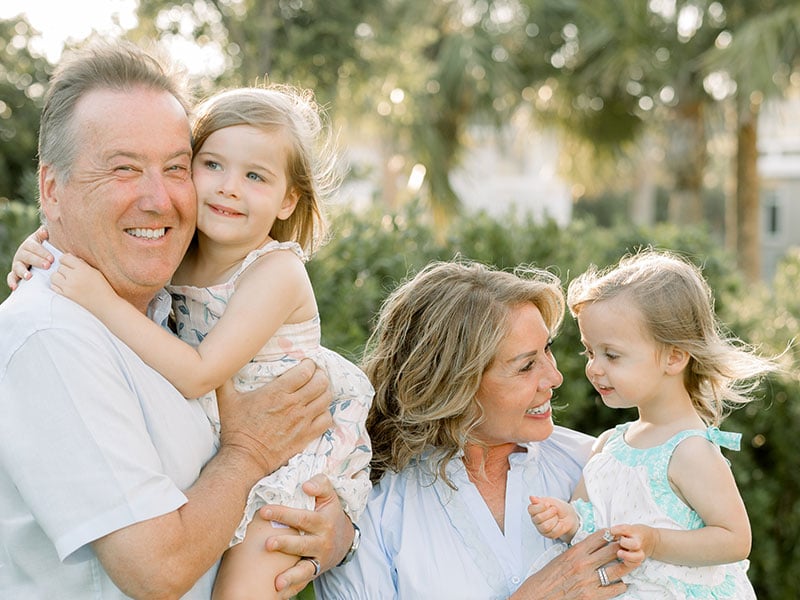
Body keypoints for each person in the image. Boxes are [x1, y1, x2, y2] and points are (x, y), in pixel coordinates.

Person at [0, 40, 356, 600]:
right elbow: (157, 571)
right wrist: (248, 455)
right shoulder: (55, 334)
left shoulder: (166, 301)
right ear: (52, 189)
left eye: (175, 168)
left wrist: (334, 538)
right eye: (123, 169)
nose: (159, 199)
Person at [315, 259, 641, 600]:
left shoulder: (597, 466)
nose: (554, 378)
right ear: (453, 385)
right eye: (526, 366)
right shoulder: (369, 509)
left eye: (548, 350)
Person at [528, 249, 776, 598]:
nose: (594, 368)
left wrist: (655, 540)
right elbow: (594, 527)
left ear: (674, 357)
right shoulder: (608, 445)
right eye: (589, 352)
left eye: (611, 355)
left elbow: (735, 539)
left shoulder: (690, 450)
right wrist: (568, 520)